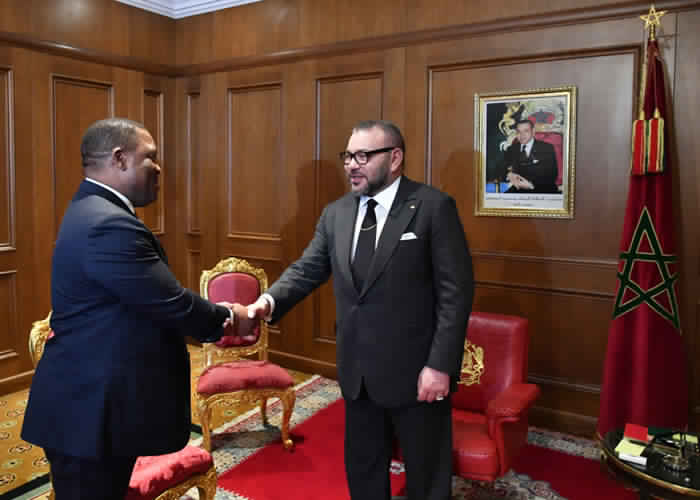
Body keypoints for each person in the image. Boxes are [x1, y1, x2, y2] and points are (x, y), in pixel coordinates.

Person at [22, 118, 254, 499]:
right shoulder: (107, 223)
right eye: (151, 157)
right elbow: (171, 303)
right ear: (119, 158)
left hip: (93, 410)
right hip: (88, 416)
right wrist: (231, 318)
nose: (159, 168)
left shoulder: (92, 208)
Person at [247, 120, 474, 500]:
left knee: (427, 476)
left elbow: (456, 293)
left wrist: (439, 365)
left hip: (417, 373)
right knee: (364, 469)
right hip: (358, 372)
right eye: (348, 156)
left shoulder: (433, 207)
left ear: (395, 158)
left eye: (363, 156)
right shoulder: (335, 214)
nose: (352, 164)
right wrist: (267, 302)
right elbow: (307, 269)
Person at [504, 119, 559, 194]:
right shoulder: (511, 149)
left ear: (533, 132)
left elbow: (552, 175)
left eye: (526, 131)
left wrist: (531, 185)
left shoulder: (547, 148)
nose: (522, 135)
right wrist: (508, 174)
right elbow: (502, 169)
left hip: (542, 189)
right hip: (518, 189)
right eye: (518, 132)